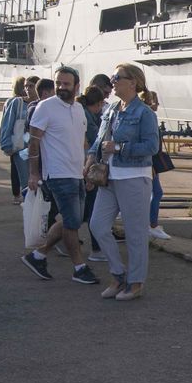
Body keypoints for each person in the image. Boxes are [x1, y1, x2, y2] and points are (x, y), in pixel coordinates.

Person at [20, 67, 99, 285]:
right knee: (72, 223)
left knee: (72, 219)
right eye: (58, 83)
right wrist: (33, 174)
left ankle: (38, 256)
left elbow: (82, 142)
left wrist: (87, 169)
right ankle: (79, 267)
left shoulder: (79, 109)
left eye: (66, 84)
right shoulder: (46, 107)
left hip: (77, 173)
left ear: (77, 86)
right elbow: (34, 142)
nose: (61, 88)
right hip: (57, 174)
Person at [88, 63, 159, 301]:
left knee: (135, 233)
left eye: (117, 77)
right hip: (108, 176)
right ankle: (118, 274)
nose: (112, 81)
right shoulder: (111, 109)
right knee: (98, 226)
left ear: (133, 82)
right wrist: (90, 158)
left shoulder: (144, 113)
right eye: (113, 77)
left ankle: (135, 282)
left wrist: (119, 148)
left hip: (134, 177)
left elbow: (152, 146)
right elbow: (99, 139)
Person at [77, 87, 107, 262]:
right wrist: (88, 173)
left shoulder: (81, 113)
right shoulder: (87, 118)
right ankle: (96, 249)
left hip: (82, 166)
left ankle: (58, 236)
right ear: (98, 103)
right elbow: (94, 143)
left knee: (85, 212)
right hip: (87, 166)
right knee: (90, 212)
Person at [141, 87, 169, 240]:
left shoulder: (145, 115)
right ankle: (152, 225)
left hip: (149, 161)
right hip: (149, 162)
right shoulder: (149, 116)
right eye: (156, 102)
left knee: (152, 193)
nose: (158, 104)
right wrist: (151, 164)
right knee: (156, 192)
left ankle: (149, 224)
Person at [0, 77, 31, 201]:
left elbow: (4, 121)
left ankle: (17, 194)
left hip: (18, 142)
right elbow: (7, 122)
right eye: (26, 86)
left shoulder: (9, 101)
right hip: (19, 142)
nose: (27, 89)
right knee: (21, 171)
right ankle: (20, 194)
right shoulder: (16, 102)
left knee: (15, 169)